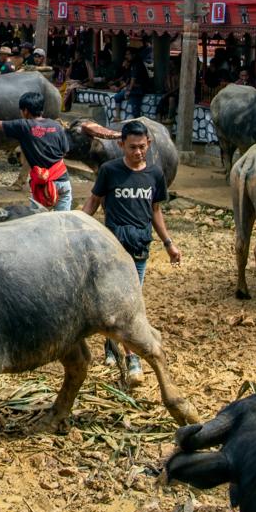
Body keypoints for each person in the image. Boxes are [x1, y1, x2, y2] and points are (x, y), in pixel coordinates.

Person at [84, 120, 181, 380]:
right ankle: (124, 353)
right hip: (112, 246)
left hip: (139, 246)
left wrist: (169, 243)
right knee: (113, 301)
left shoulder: (155, 175)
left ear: (148, 144)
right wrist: (77, 226)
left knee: (131, 301)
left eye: (142, 147)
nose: (138, 152)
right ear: (121, 145)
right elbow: (94, 201)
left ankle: (126, 353)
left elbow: (156, 211)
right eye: (132, 147)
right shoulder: (109, 171)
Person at [0, 92, 75, 210]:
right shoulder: (57, 126)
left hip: (42, 186)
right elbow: (65, 151)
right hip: (63, 182)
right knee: (64, 222)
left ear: (25, 111)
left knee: (39, 222)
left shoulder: (23, 126)